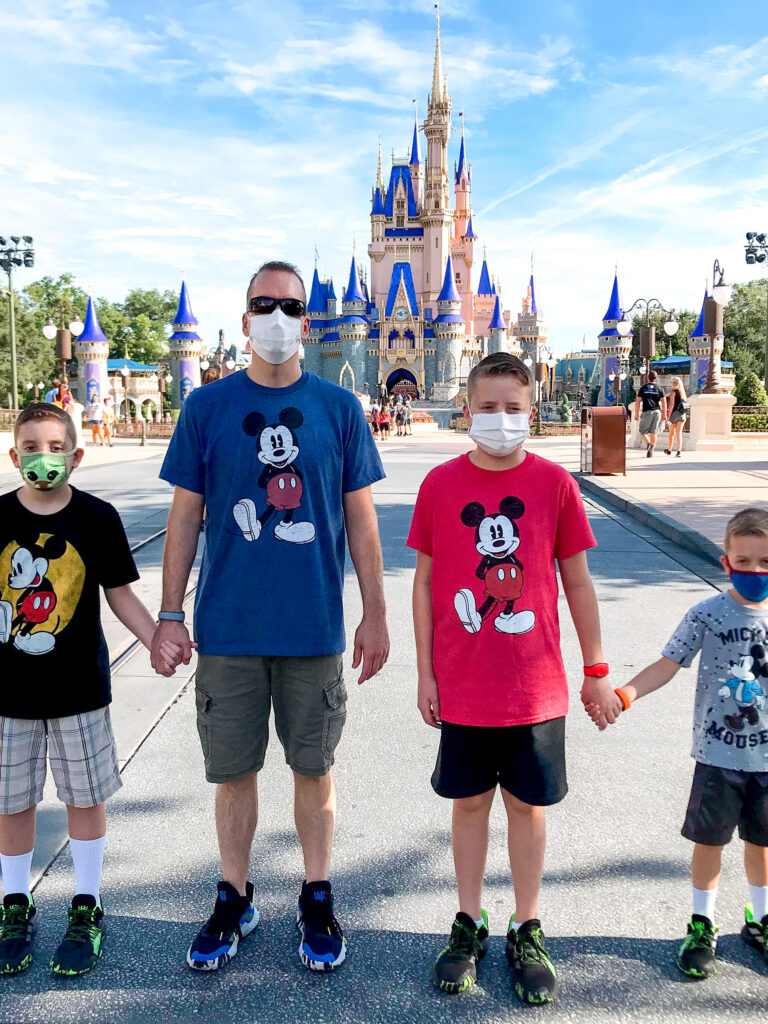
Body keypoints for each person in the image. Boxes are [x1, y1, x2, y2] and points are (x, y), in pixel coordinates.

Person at [154, 260, 389, 974]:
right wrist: (169, 613)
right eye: (265, 304)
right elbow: (184, 517)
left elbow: (361, 521)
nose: (279, 317)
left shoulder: (339, 409)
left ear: (308, 321)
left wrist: (375, 614)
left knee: (313, 769)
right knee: (233, 772)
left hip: (313, 628)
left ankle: (316, 895)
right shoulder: (207, 408)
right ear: (246, 314)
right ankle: (234, 895)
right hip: (227, 629)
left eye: (291, 306)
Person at [407, 352, 620, 1003]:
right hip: (464, 688)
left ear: (531, 410)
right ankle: (468, 922)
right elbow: (422, 585)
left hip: (534, 691)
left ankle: (527, 926)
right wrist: (426, 674)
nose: (501, 419)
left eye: (513, 408)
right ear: (466, 409)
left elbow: (577, 582)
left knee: (526, 809)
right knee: (469, 805)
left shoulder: (554, 483)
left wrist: (597, 670)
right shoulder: (440, 486)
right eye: (488, 407)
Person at [0, 404, 181, 977]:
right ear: (14, 455)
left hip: (79, 689)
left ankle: (86, 903)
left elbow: (119, 593)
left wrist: (156, 638)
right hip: (8, 693)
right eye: (30, 446)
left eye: (54, 446)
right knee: (12, 802)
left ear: (76, 456)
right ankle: (13, 904)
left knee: (84, 796)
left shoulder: (97, 518)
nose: (42, 457)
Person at [587, 507, 768, 980]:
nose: (754, 571)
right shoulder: (706, 613)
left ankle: (760, 918)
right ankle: (702, 923)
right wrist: (624, 695)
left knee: (763, 842)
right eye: (744, 561)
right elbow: (667, 664)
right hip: (718, 755)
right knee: (710, 841)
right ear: (726, 563)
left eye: (764, 561)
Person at [633, 370, 666, 457]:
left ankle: (649, 444)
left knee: (642, 431)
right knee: (654, 432)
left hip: (647, 412)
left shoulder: (643, 388)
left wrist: (636, 413)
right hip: (657, 412)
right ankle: (651, 452)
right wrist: (664, 414)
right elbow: (664, 402)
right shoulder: (659, 388)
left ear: (648, 378)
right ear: (656, 378)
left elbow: (637, 401)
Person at [665, 376, 688, 458]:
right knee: (679, 433)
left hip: (674, 414)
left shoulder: (673, 392)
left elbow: (671, 405)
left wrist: (668, 416)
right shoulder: (683, 393)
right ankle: (679, 451)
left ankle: (669, 450)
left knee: (671, 434)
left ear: (673, 383)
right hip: (682, 414)